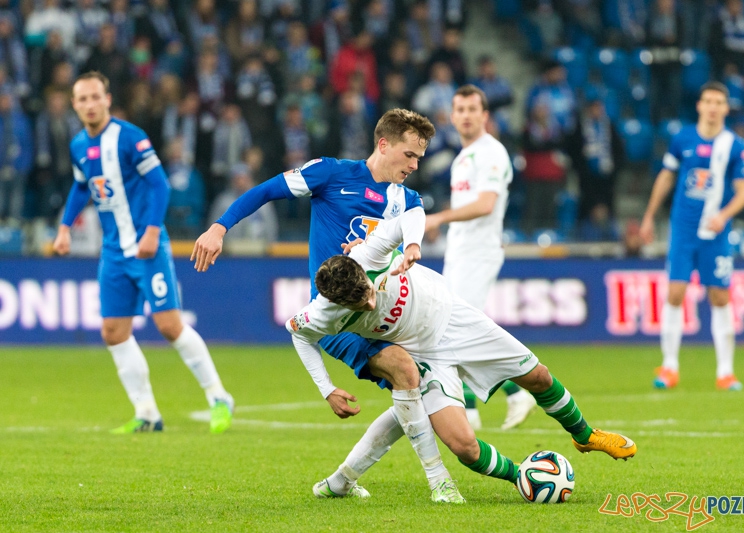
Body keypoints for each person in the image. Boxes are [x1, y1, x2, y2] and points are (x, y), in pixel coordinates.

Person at [192, 108, 464, 503]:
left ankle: (340, 481)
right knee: (406, 372)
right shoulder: (331, 173)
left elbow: (408, 240)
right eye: (409, 155)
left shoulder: (407, 200)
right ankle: (440, 481)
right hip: (341, 318)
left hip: (387, 312)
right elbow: (266, 190)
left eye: (419, 158)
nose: (414, 165)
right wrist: (219, 228)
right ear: (383, 144)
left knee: (413, 389)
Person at [285, 209, 637, 500]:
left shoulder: (369, 253)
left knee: (538, 376)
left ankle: (585, 436)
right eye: (360, 304)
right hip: (424, 354)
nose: (370, 302)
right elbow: (298, 335)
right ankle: (522, 477)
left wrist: (412, 244)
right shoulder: (322, 313)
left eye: (368, 291)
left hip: (455, 317)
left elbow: (412, 215)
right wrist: (326, 388)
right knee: (463, 446)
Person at [52, 71, 235, 434]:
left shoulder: (129, 137)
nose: (90, 104)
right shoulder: (78, 145)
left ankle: (219, 396)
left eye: (95, 97)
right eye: (82, 99)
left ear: (107, 99)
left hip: (146, 245)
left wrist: (152, 231)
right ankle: (147, 413)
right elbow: (80, 186)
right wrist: (64, 228)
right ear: (74, 105)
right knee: (113, 331)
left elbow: (159, 184)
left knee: (169, 325)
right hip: (113, 252)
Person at [424, 85, 536, 431]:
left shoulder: (491, 152)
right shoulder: (463, 157)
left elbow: (486, 204)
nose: (466, 116)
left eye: (473, 109)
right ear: (451, 116)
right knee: (455, 329)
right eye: (460, 109)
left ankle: (513, 394)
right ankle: (475, 407)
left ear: (485, 115)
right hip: (460, 250)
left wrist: (439, 218)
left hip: (479, 251)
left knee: (456, 331)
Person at [639, 81, 744, 391]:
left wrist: (724, 215)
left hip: (715, 233)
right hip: (683, 229)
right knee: (675, 293)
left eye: (719, 102)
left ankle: (726, 371)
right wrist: (649, 216)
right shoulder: (683, 139)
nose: (713, 107)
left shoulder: (734, 146)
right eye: (708, 101)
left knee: (720, 296)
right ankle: (669, 367)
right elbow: (666, 177)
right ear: (700, 105)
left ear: (726, 108)